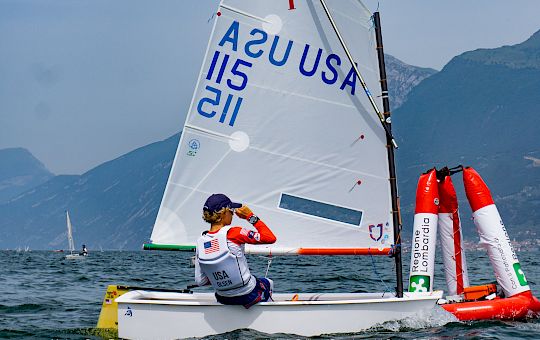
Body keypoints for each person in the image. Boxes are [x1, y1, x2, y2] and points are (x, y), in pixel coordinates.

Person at [195, 193, 277, 309]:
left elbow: (200, 281)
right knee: (268, 282)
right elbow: (270, 238)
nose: (233, 214)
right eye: (231, 210)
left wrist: (222, 279)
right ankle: (270, 314)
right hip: (248, 294)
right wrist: (250, 216)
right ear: (223, 213)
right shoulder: (235, 233)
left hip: (222, 298)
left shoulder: (200, 242)